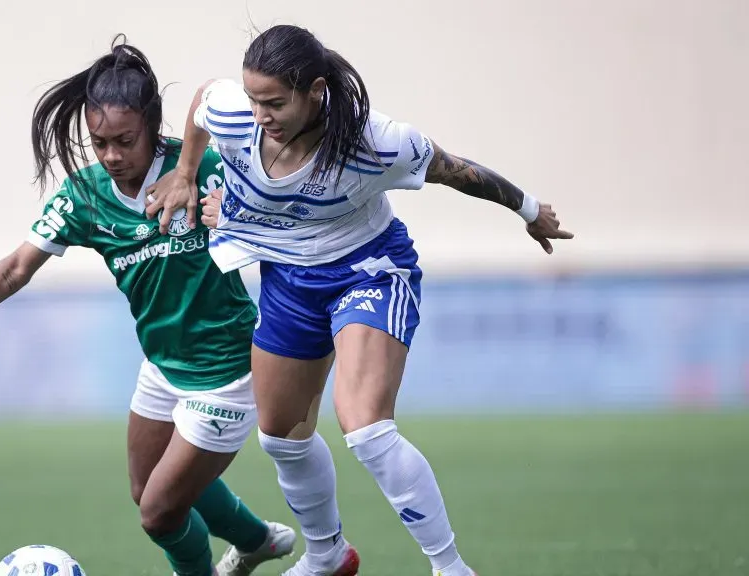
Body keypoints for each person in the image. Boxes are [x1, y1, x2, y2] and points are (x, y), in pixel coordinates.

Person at [145, 24, 574, 576]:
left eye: (274, 102)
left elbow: (456, 170)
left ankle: (450, 568)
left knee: (366, 426)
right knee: (280, 438)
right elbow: (206, 98)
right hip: (290, 281)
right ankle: (327, 556)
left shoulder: (376, 143)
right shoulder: (235, 115)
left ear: (315, 91)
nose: (259, 115)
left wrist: (528, 208)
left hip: (368, 271)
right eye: (253, 99)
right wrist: (184, 175)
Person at [0, 36, 296, 576]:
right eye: (100, 142)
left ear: (153, 126)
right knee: (145, 489)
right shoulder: (85, 196)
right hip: (162, 366)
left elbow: (281, 201)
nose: (111, 155)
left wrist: (230, 216)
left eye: (125, 140)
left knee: (160, 513)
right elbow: (18, 266)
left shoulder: (202, 168)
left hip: (225, 371)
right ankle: (255, 540)